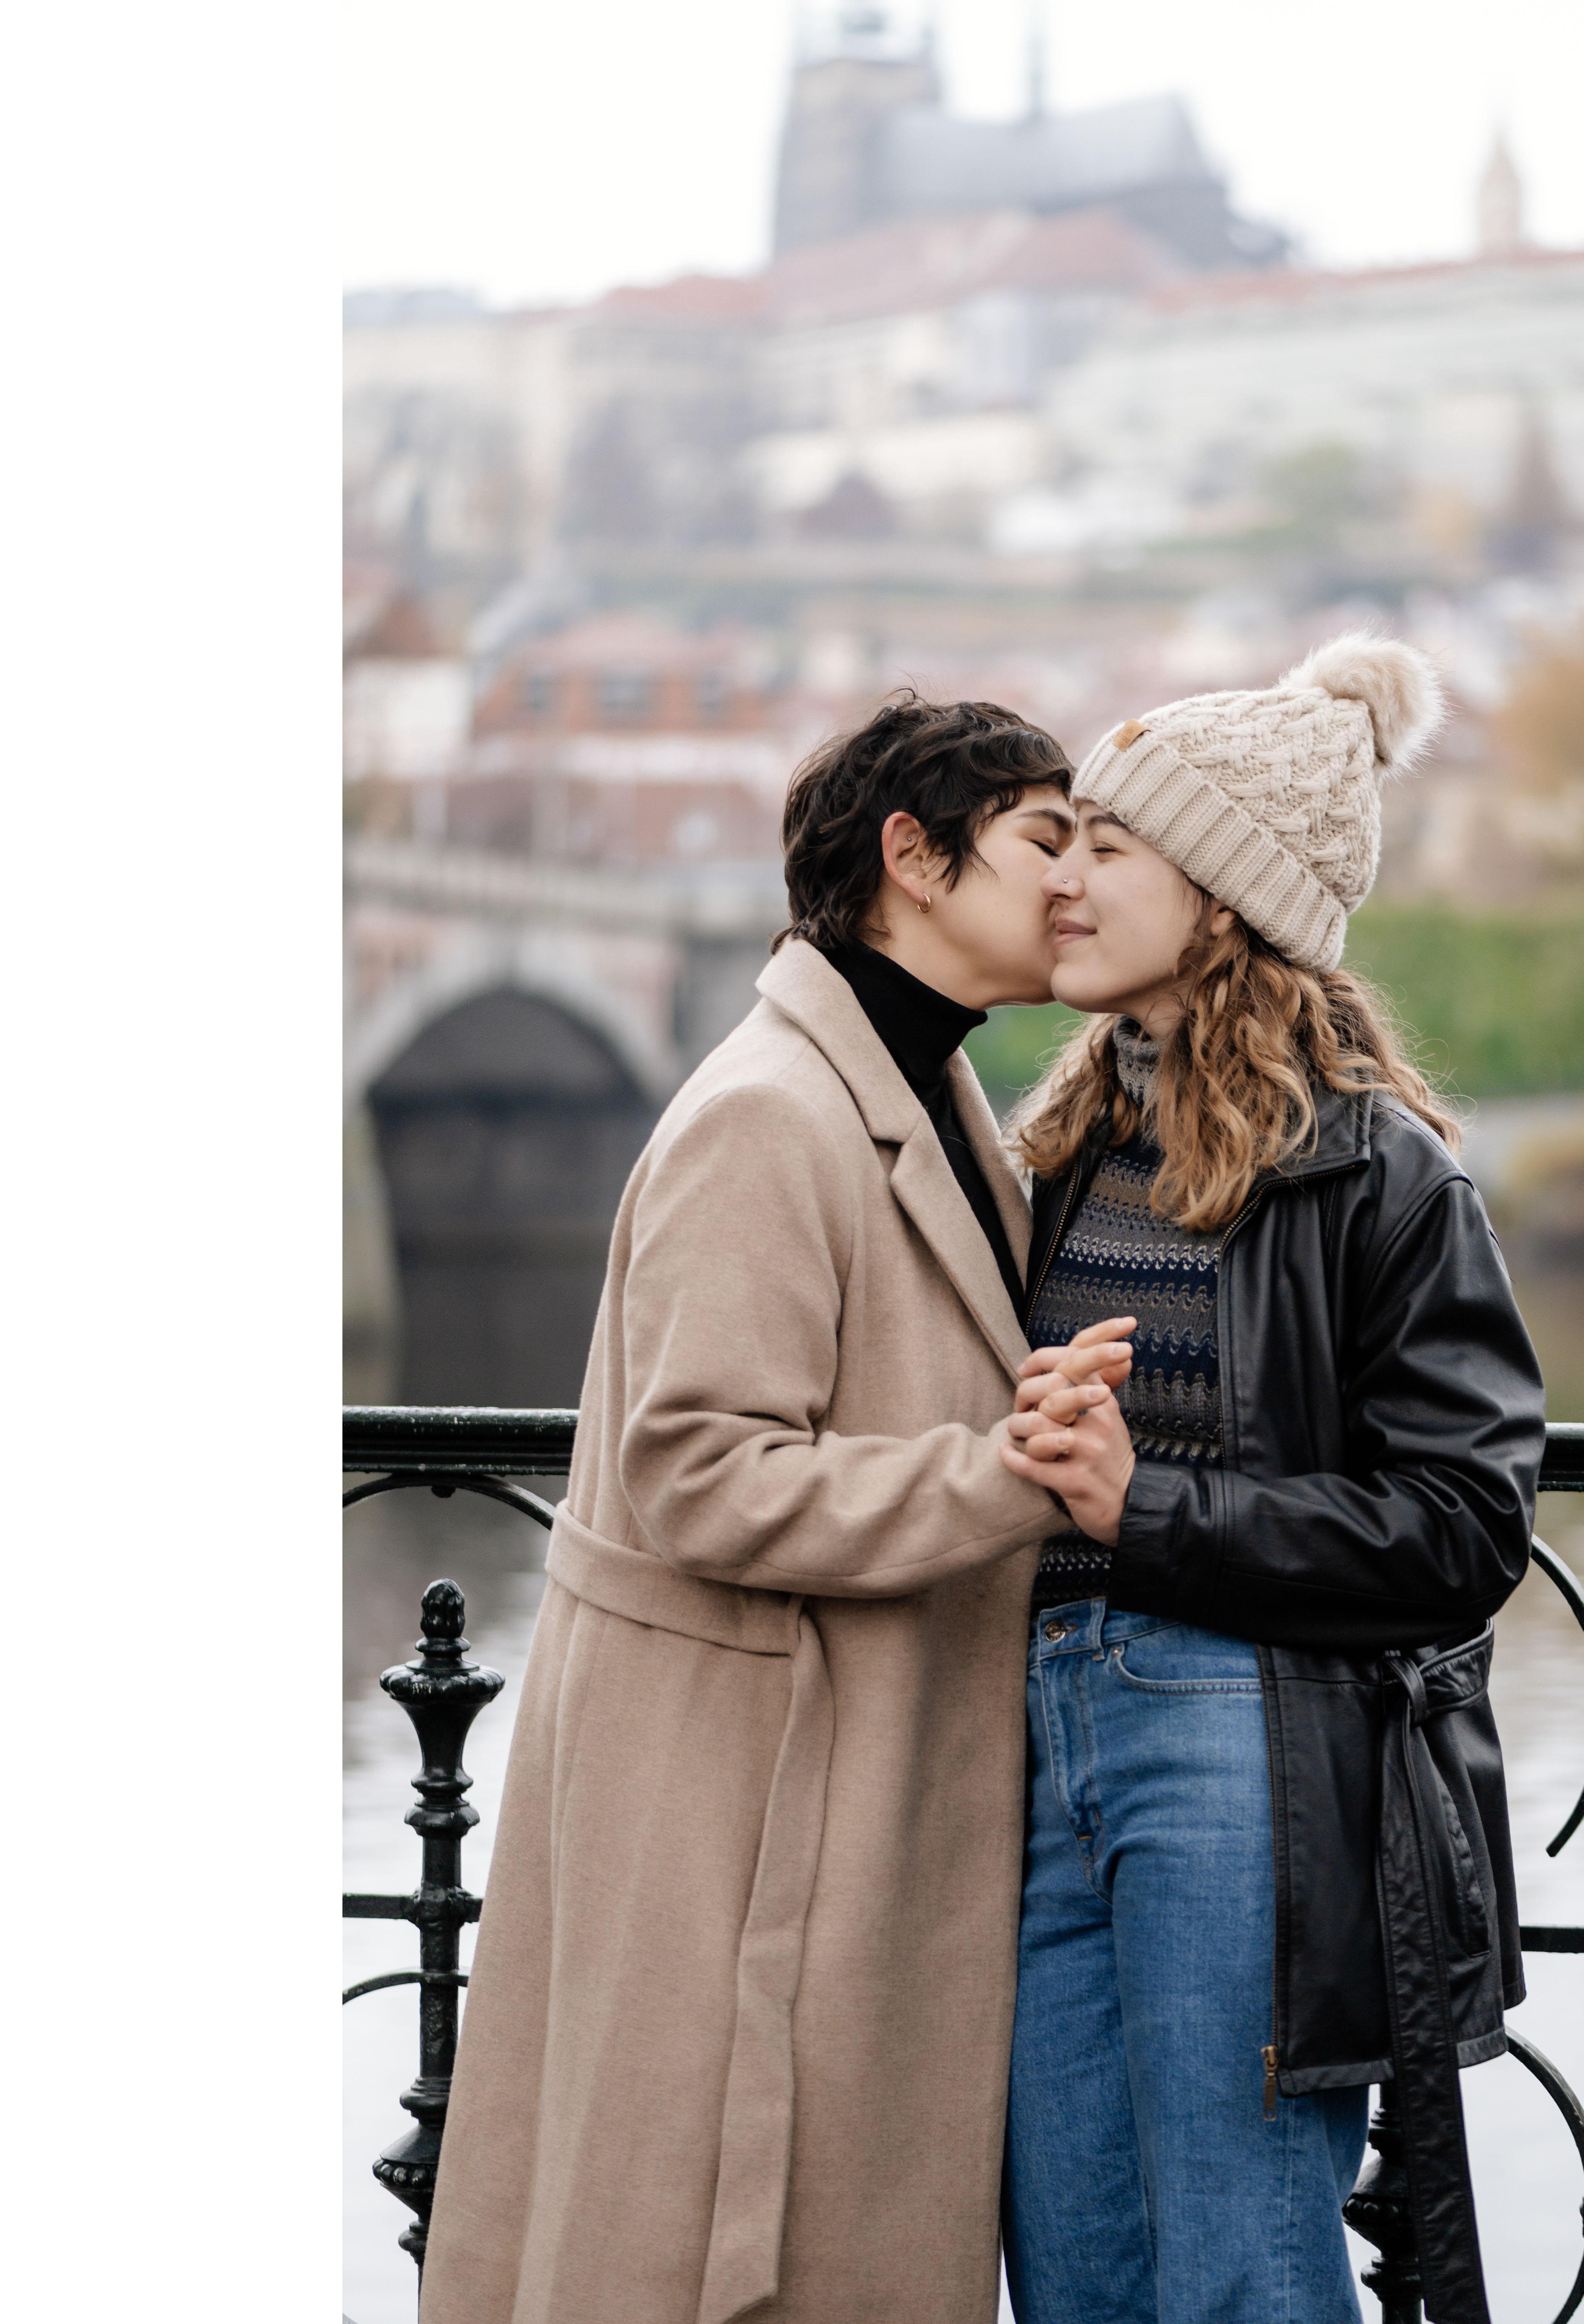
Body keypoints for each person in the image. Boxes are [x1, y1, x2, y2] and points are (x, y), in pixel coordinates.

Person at [422, 694, 1134, 2324]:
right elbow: (699, 1472)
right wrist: (1009, 1477)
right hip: (756, 1816)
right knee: (715, 2250)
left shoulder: (924, 1092)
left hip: (845, 1787)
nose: (1074, 880)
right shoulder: (769, 1112)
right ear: (914, 859)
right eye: (1043, 839)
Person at [994, 637, 1547, 2324]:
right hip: (1039, 1733)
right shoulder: (1067, 1143)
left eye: (1111, 847)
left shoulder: (1377, 1166)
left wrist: (1142, 1510)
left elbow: (1466, 1527)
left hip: (1241, 1746)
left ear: (1224, 898)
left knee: (1243, 2271)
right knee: (1076, 2275)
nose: (1065, 879)